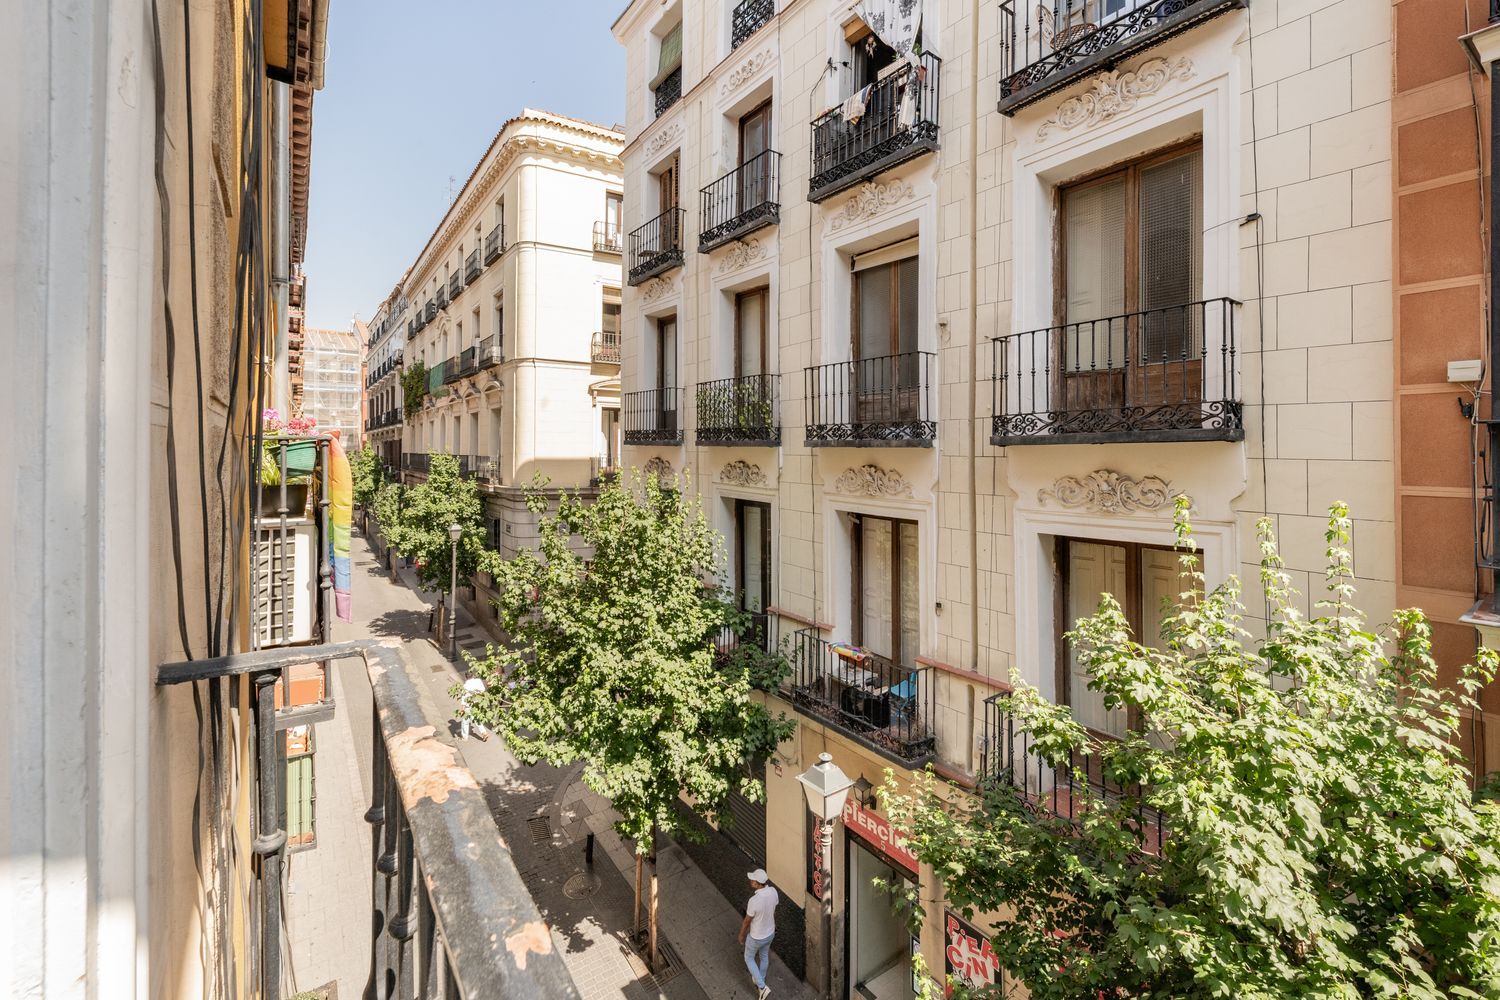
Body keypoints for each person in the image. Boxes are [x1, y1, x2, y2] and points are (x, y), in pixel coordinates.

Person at [738, 868, 778, 999]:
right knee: (764, 955)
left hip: (756, 936)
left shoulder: (754, 901)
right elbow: (773, 910)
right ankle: (760, 978)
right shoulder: (773, 891)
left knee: (748, 958)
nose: (751, 880)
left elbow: (746, 921)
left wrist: (741, 935)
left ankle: (762, 987)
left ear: (758, 883)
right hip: (770, 933)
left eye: (753, 879)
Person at [460, 676, 490, 741]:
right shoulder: (478, 681)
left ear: (466, 677)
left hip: (469, 705)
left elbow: (464, 699)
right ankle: (484, 732)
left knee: (465, 722)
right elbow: (483, 690)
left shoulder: (465, 685)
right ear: (472, 675)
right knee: (477, 719)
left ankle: (464, 737)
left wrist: (462, 709)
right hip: (477, 703)